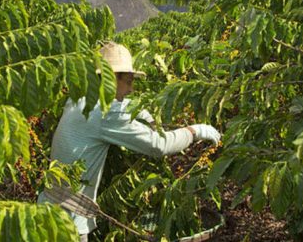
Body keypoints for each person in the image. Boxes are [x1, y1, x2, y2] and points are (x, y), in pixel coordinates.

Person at [38, 42, 221, 241]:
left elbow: (119, 104)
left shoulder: (80, 98)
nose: (132, 89)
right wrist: (194, 131)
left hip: (47, 209)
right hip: (68, 225)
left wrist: (142, 113)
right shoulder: (106, 112)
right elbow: (158, 145)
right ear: (110, 79)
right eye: (129, 81)